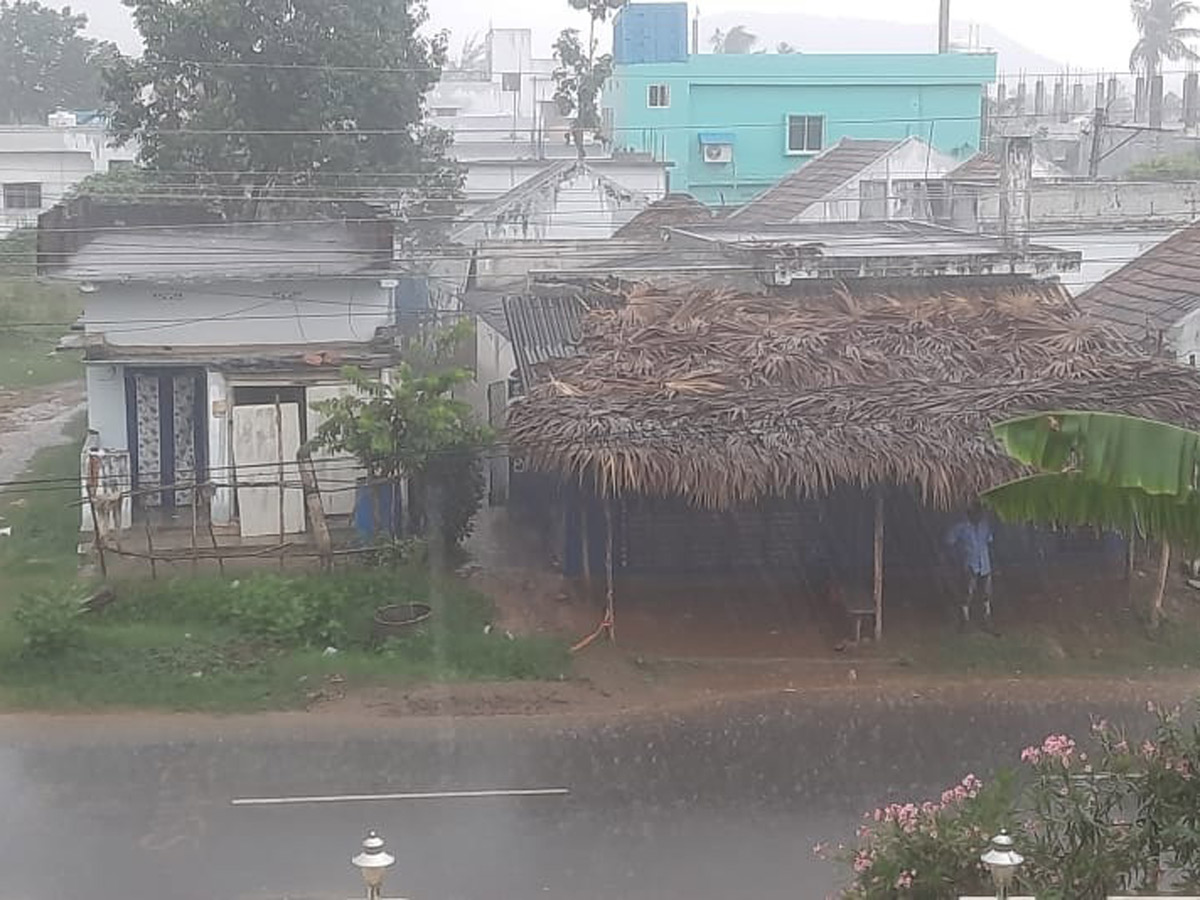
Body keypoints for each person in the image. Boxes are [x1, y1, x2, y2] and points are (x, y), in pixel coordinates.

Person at [945, 502, 995, 632]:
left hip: (985, 565)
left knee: (986, 594)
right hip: (970, 564)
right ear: (969, 513)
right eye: (974, 513)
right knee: (967, 593)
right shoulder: (961, 527)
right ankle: (964, 620)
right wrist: (958, 556)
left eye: (979, 513)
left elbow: (989, 541)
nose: (977, 515)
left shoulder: (985, 525)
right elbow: (949, 541)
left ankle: (986, 619)